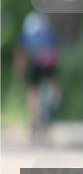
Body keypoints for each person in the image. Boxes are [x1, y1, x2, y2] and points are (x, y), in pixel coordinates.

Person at [15, 11, 61, 139]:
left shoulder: (28, 26)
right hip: (49, 61)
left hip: (34, 61)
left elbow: (21, 52)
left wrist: (20, 69)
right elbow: (56, 51)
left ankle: (34, 122)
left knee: (32, 91)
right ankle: (55, 102)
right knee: (53, 83)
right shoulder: (49, 29)